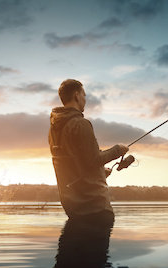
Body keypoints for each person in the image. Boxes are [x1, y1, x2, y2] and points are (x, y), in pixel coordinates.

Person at [48, 79, 128, 221]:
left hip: (72, 208)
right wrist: (118, 150)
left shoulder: (54, 130)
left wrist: (101, 173)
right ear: (77, 96)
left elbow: (75, 165)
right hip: (96, 208)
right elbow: (93, 160)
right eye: (84, 95)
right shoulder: (81, 124)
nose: (85, 99)